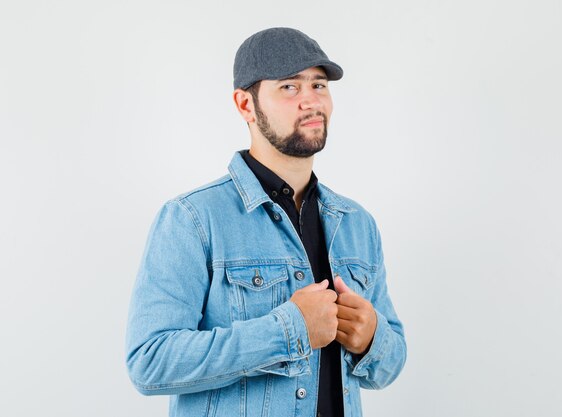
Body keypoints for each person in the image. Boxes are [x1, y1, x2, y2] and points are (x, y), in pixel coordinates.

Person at [126, 27, 406, 417]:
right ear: (245, 105)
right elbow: (149, 362)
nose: (310, 101)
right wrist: (288, 330)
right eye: (289, 87)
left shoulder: (357, 224)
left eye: (319, 85)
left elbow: (389, 366)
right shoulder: (192, 218)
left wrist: (372, 337)